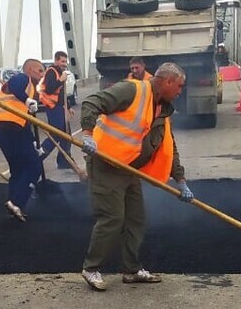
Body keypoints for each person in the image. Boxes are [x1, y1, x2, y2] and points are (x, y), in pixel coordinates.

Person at [78, 62, 194, 291]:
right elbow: (92, 102)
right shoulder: (132, 90)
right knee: (112, 217)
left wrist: (181, 182)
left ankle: (131, 270)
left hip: (128, 168)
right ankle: (91, 268)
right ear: (168, 81)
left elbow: (170, 148)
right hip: (105, 163)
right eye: (179, 86)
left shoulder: (162, 110)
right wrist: (87, 134)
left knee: (136, 219)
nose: (180, 91)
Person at [0, 57, 46, 222]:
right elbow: (14, 85)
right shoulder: (22, 79)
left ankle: (14, 204)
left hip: (2, 127)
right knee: (34, 165)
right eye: (39, 70)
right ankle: (17, 201)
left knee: (17, 167)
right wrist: (27, 100)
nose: (42, 74)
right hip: (9, 125)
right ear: (29, 70)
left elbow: (26, 120)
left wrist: (34, 141)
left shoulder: (30, 89)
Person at [38, 50, 76, 170]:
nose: (64, 63)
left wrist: (68, 107)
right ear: (56, 61)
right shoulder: (51, 72)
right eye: (62, 61)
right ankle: (38, 156)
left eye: (65, 61)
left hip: (59, 106)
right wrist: (61, 80)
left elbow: (62, 93)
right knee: (56, 133)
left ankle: (64, 160)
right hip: (52, 107)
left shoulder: (61, 72)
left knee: (66, 133)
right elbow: (49, 89)